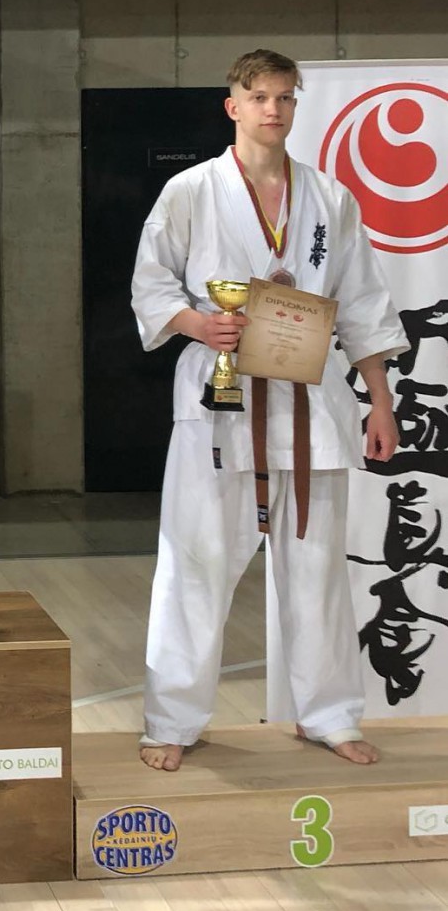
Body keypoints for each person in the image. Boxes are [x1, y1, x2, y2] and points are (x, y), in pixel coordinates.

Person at [131, 49, 406, 772]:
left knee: (318, 575)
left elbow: (365, 304)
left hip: (312, 403)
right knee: (195, 565)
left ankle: (329, 716)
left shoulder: (330, 198)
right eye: (259, 96)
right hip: (219, 402)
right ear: (233, 106)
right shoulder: (191, 190)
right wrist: (199, 324)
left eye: (285, 97)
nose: (273, 109)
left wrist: (380, 402)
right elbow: (151, 284)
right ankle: (172, 720)